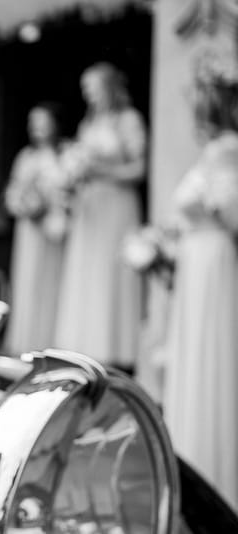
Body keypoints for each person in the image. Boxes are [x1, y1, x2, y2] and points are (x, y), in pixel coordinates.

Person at [163, 53, 238, 511]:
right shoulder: (211, 153)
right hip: (195, 262)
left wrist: (213, 209)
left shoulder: (228, 150)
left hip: (214, 263)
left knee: (213, 348)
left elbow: (230, 215)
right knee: (193, 349)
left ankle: (214, 462)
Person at [54, 62, 147, 367]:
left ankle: (118, 350)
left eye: (91, 88)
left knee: (111, 274)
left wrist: (100, 170)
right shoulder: (88, 124)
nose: (88, 95)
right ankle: (87, 346)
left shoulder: (129, 120)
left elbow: (139, 168)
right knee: (88, 274)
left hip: (117, 206)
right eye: (85, 89)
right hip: (89, 210)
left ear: (107, 86)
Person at [4, 104, 69, 353]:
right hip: (30, 230)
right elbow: (13, 191)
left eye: (43, 122)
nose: (38, 128)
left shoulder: (64, 155)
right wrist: (24, 206)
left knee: (55, 281)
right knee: (28, 280)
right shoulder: (25, 157)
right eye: (34, 122)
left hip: (54, 228)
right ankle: (27, 340)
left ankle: (54, 339)